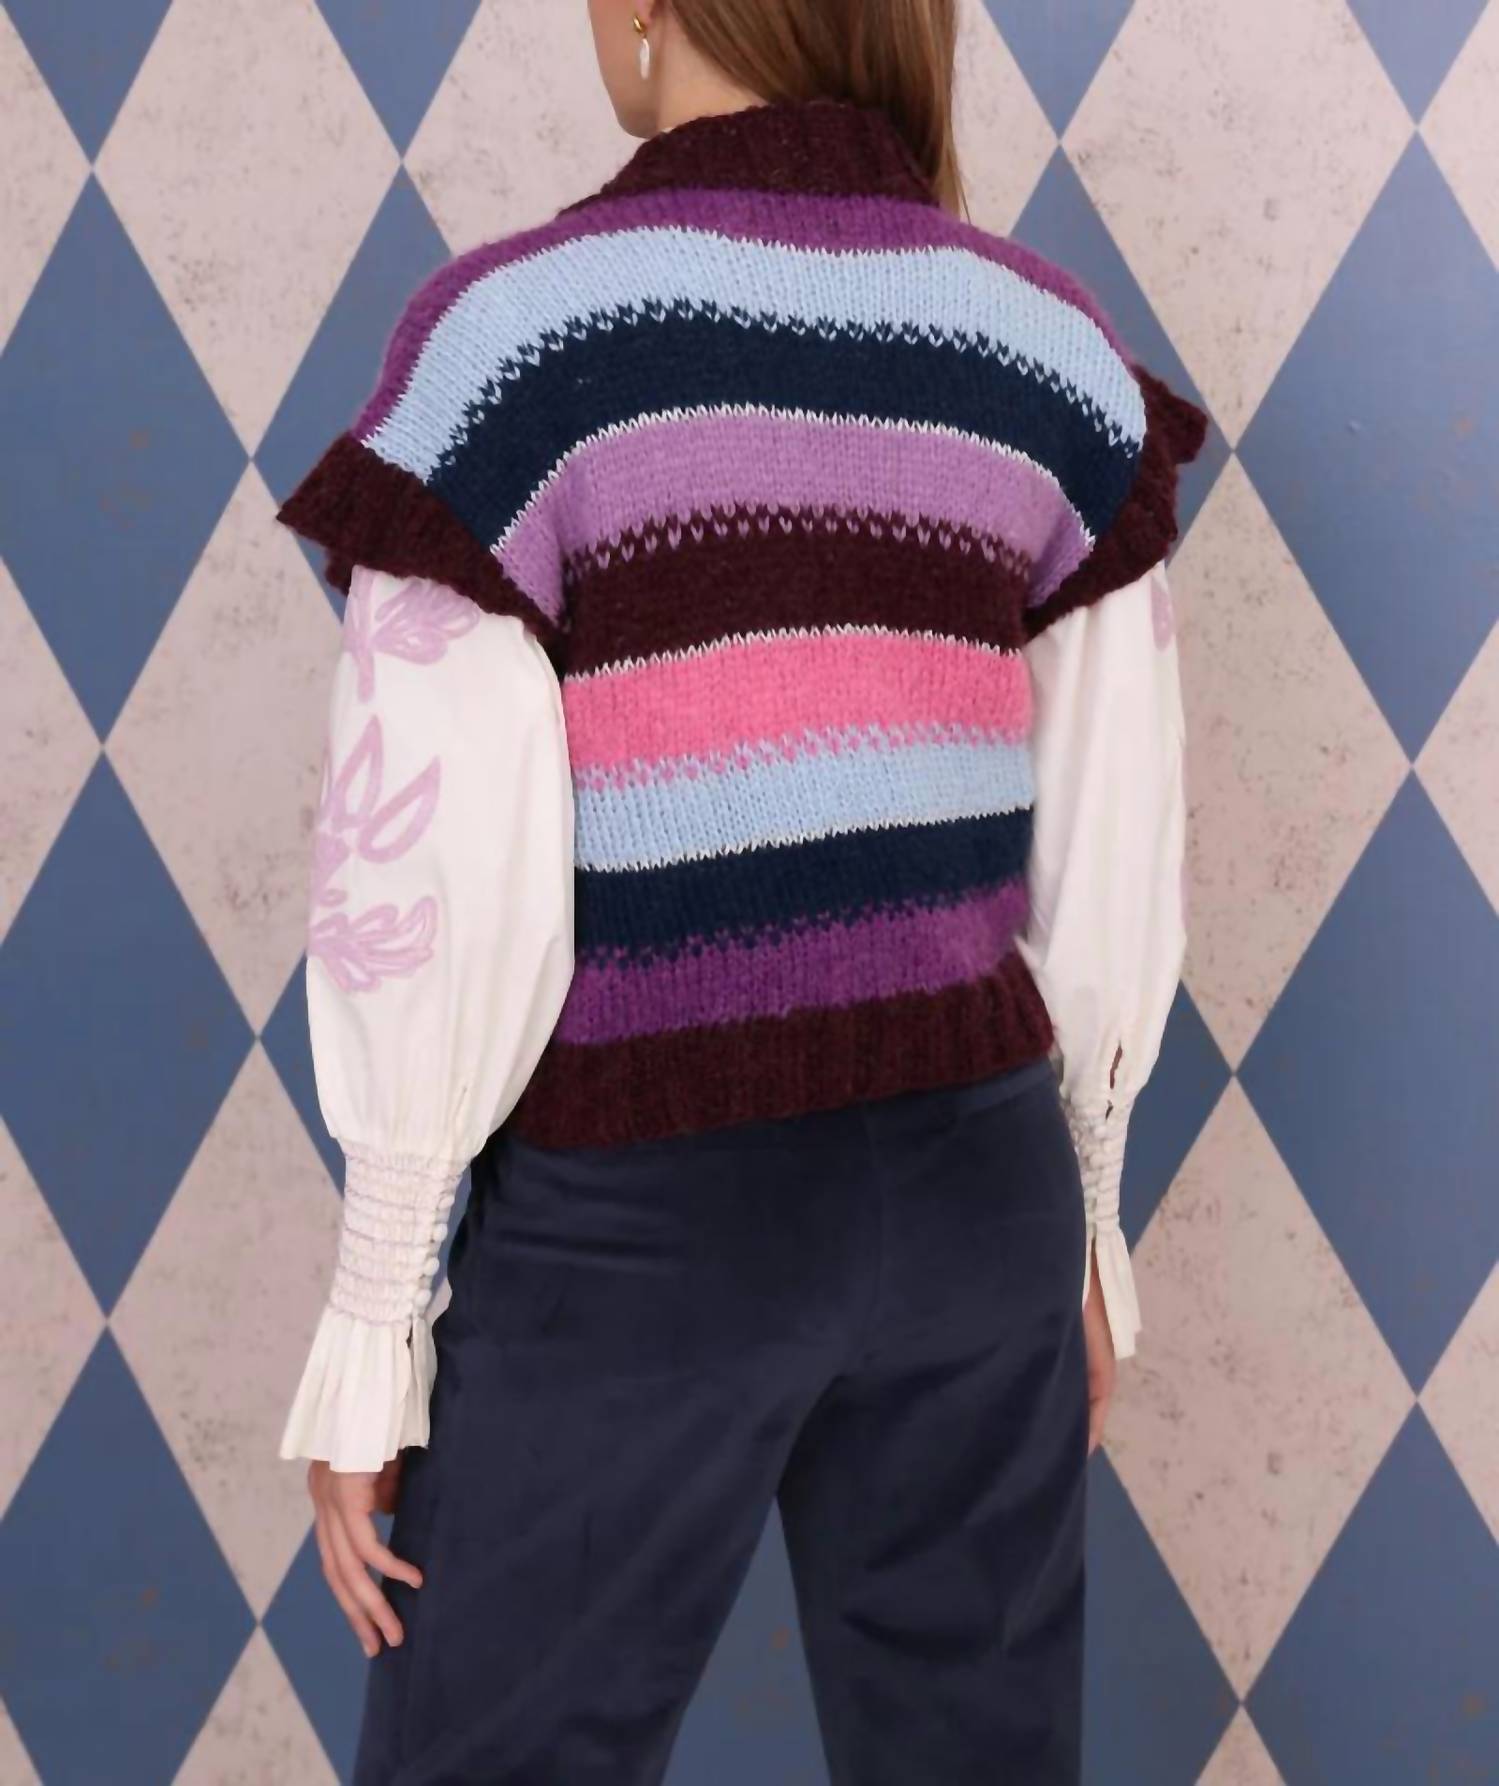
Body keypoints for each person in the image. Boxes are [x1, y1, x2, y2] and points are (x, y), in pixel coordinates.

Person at [272, 2, 1207, 1780]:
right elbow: (1114, 839)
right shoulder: (1045, 346)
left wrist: (379, 1313)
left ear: (643, 10)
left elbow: (432, 866)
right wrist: (1084, 1221)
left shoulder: (516, 345)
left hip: (646, 1214)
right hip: (975, 1194)